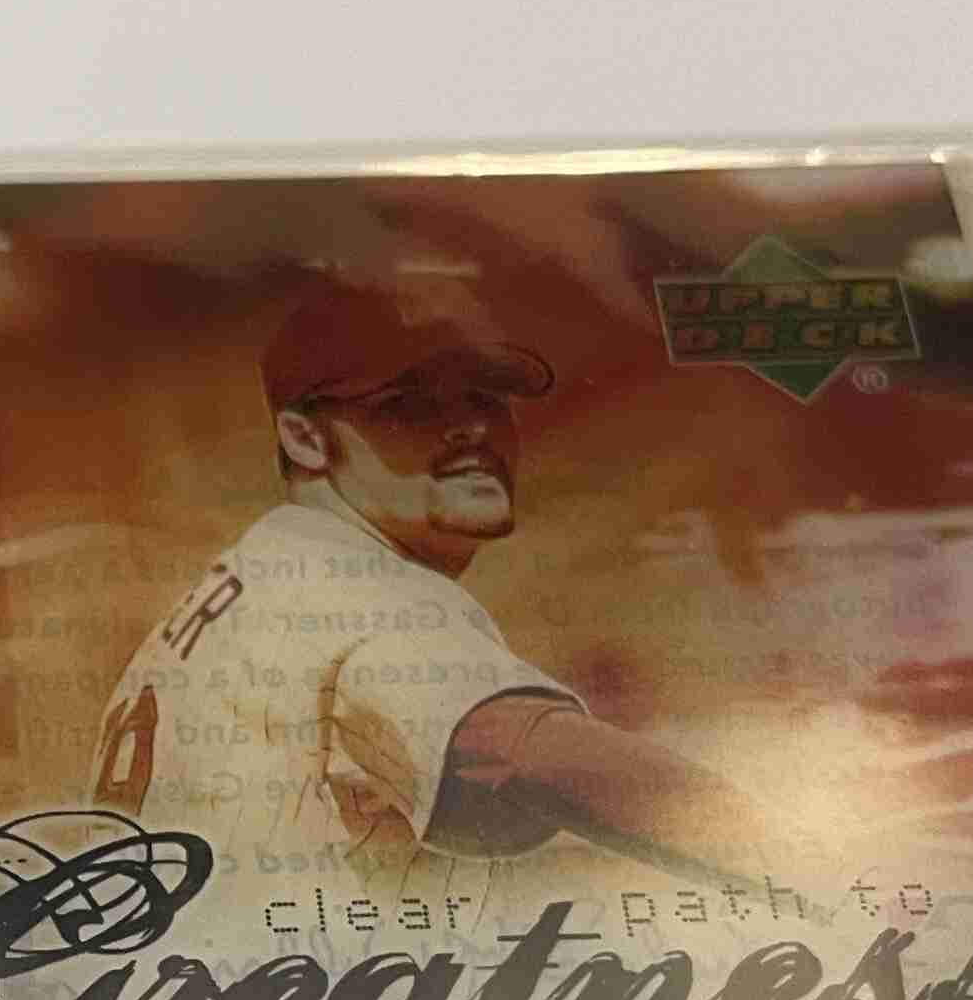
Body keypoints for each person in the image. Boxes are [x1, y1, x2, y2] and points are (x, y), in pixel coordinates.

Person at [92, 275, 793, 953]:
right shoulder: (352, 585)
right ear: (306, 439)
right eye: (412, 403)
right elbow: (521, 754)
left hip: (181, 997)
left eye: (487, 397)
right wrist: (806, 861)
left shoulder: (236, 589)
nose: (474, 428)